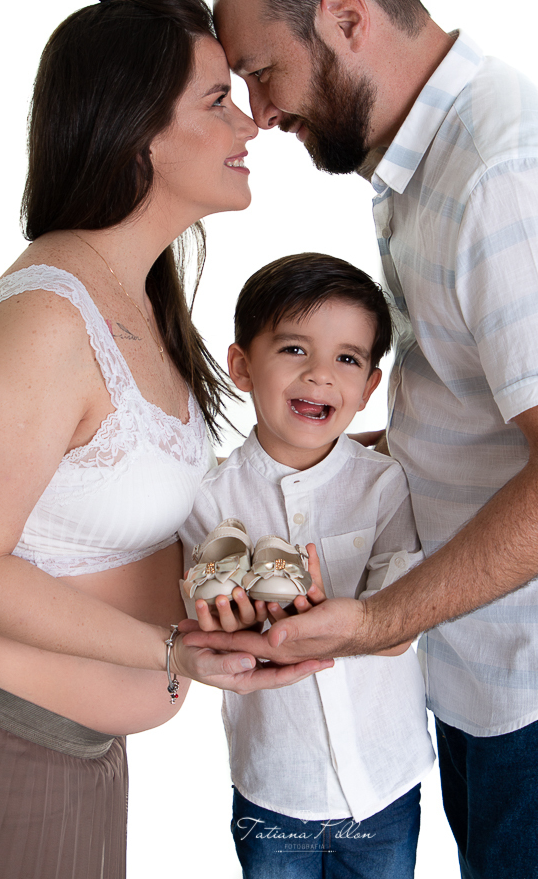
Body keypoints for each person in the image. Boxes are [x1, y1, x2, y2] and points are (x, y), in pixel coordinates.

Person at [184, 0, 538, 877]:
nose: (259, 114)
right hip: (491, 681)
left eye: (261, 72)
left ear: (346, 17)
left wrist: (379, 619)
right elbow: (476, 418)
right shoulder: (425, 169)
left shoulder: (504, 174)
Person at [0, 0, 330, 879]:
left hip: (75, 752)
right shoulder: (45, 322)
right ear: (140, 135)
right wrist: (175, 651)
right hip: (1, 746)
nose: (250, 124)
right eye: (216, 101)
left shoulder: (136, 298)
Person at [181, 252, 434, 878]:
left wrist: (348, 622)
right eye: (294, 349)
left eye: (347, 358)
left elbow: (401, 625)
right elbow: (197, 623)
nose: (320, 374)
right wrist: (231, 626)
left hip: (386, 780)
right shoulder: (207, 499)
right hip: (275, 784)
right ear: (242, 365)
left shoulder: (384, 485)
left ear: (369, 388)